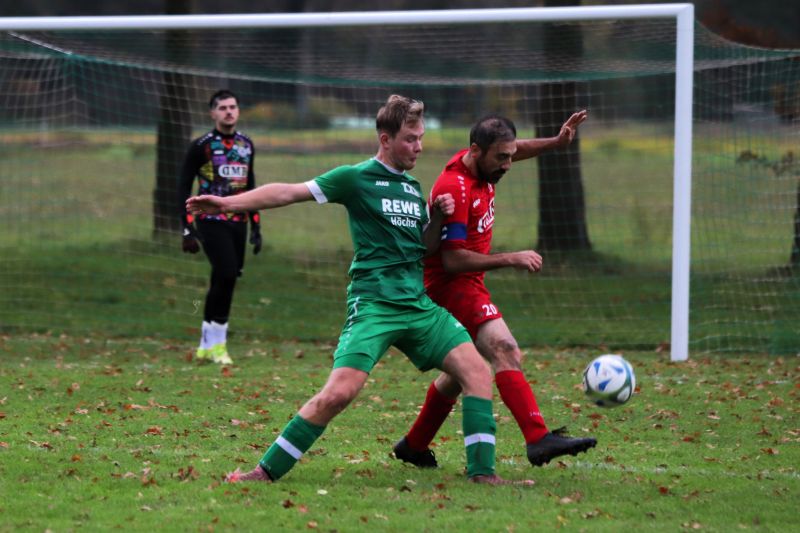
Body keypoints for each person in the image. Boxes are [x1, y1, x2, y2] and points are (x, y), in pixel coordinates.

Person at [187, 95, 531, 486]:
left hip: (418, 306)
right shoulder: (355, 178)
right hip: (374, 305)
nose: (418, 147)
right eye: (410, 139)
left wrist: (436, 218)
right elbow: (288, 192)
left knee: (477, 372)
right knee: (339, 393)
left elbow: (424, 247)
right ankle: (263, 472)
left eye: (420, 138)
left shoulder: (412, 187)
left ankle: (483, 475)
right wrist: (226, 203)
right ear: (385, 139)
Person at [392, 111, 598, 469]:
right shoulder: (455, 188)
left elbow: (516, 149)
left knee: (460, 373)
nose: (508, 164)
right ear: (476, 150)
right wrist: (510, 258)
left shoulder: (482, 163)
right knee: (505, 348)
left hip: (467, 283)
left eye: (510, 155)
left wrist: (556, 142)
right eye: (501, 157)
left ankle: (414, 445)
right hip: (451, 286)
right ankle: (538, 438)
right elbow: (452, 260)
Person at [178, 89, 262, 365]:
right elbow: (182, 188)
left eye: (233, 107)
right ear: (212, 113)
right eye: (223, 107)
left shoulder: (246, 145)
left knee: (224, 278)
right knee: (226, 273)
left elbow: (250, 186)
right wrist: (187, 228)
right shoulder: (201, 145)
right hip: (210, 221)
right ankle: (219, 345)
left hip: (239, 222)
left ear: (238, 111)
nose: (229, 111)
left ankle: (206, 343)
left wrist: (256, 226)